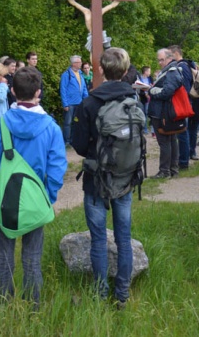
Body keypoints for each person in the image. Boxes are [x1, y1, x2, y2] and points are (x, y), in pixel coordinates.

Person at [0, 66, 67, 308]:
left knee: (3, 257)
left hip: (4, 203)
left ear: (13, 91)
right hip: (36, 203)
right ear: (39, 92)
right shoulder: (51, 128)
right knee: (33, 258)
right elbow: (57, 168)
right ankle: (32, 306)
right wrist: (48, 196)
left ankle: (3, 303)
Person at [71, 47, 137, 309]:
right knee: (124, 237)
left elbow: (77, 145)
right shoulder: (133, 99)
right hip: (125, 179)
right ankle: (122, 295)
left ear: (100, 70)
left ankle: (100, 293)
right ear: (125, 71)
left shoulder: (88, 102)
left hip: (96, 180)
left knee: (98, 239)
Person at [148, 48, 184, 179]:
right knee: (171, 140)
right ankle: (172, 169)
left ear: (170, 58)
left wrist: (152, 90)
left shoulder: (172, 71)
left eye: (162, 60)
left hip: (163, 113)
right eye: (159, 60)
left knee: (165, 141)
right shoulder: (172, 70)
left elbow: (167, 91)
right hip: (165, 111)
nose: (160, 63)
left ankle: (165, 171)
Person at [168, 45, 192, 171]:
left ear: (176, 53)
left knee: (182, 133)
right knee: (181, 133)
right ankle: (182, 160)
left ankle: (183, 162)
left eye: (170, 55)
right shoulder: (184, 66)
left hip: (182, 104)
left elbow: (185, 88)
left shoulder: (182, 67)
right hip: (182, 103)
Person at [59, 55, 89, 145]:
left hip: (79, 102)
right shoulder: (66, 75)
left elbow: (83, 88)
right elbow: (63, 89)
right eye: (79, 62)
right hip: (70, 103)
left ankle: (74, 140)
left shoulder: (80, 74)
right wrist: (65, 104)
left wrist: (86, 100)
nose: (80, 63)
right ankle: (67, 141)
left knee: (77, 122)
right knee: (68, 123)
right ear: (74, 64)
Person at [137, 66, 152, 134]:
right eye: (149, 71)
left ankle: (146, 129)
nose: (150, 73)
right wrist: (144, 93)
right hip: (142, 98)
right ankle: (143, 128)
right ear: (145, 72)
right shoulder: (139, 78)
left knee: (146, 112)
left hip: (148, 98)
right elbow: (138, 88)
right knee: (142, 113)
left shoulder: (150, 78)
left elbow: (151, 86)